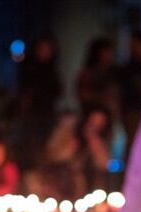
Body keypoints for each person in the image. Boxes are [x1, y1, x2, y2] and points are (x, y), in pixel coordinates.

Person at [40, 107, 112, 199]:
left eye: (99, 125)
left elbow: (105, 164)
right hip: (56, 183)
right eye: (92, 122)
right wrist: (70, 147)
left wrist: (94, 142)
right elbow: (52, 156)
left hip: (84, 190)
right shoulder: (66, 131)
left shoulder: (99, 142)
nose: (94, 127)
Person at [18, 35, 62, 170]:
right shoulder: (29, 68)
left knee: (46, 147)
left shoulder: (52, 70)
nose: (45, 52)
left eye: (49, 49)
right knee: (31, 147)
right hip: (32, 116)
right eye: (43, 48)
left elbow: (58, 91)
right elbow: (24, 92)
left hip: (47, 115)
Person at [119, 31, 141, 159]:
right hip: (132, 110)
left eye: (135, 44)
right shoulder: (127, 68)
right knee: (133, 142)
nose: (132, 48)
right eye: (131, 45)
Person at [77, 38, 118, 120]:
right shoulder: (88, 74)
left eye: (111, 52)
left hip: (110, 118)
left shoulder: (113, 74)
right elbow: (83, 95)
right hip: (92, 117)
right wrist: (102, 98)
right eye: (107, 52)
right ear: (98, 53)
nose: (110, 55)